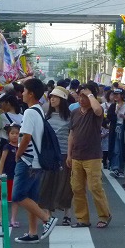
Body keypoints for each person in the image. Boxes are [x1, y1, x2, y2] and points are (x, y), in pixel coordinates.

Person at [12, 78, 58, 243]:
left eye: (24, 91)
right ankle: (32, 233)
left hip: (28, 160)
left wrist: (18, 154)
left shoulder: (30, 112)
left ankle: (47, 219)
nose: (22, 94)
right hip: (37, 162)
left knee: (18, 195)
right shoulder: (39, 110)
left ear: (31, 94)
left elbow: (26, 137)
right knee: (31, 197)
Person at [67, 83, 112, 229]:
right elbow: (71, 134)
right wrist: (69, 154)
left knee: (94, 187)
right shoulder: (74, 112)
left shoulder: (95, 111)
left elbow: (98, 110)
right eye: (80, 96)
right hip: (76, 155)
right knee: (77, 188)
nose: (81, 99)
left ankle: (104, 216)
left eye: (85, 96)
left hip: (92, 155)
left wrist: (90, 94)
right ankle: (82, 218)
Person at [38, 86, 73, 226]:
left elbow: (72, 136)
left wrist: (70, 155)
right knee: (47, 184)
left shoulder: (70, 117)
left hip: (64, 154)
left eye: (55, 97)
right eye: (51, 97)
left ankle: (67, 213)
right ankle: (48, 214)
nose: (52, 99)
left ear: (62, 99)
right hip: (50, 155)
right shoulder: (46, 116)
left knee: (65, 185)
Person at [108, 88, 125, 178]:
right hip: (114, 129)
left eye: (117, 94)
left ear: (122, 95)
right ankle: (115, 167)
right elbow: (109, 117)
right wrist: (116, 111)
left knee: (122, 149)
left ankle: (120, 169)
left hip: (124, 129)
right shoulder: (113, 106)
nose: (115, 96)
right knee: (115, 149)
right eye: (114, 94)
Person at [0, 124, 20, 227]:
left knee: (15, 198)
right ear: (8, 135)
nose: (15, 135)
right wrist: (0, 175)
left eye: (17, 133)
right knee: (4, 197)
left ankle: (13, 219)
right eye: (12, 133)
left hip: (17, 175)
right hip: (7, 175)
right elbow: (2, 161)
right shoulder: (7, 147)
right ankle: (2, 218)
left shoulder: (21, 147)